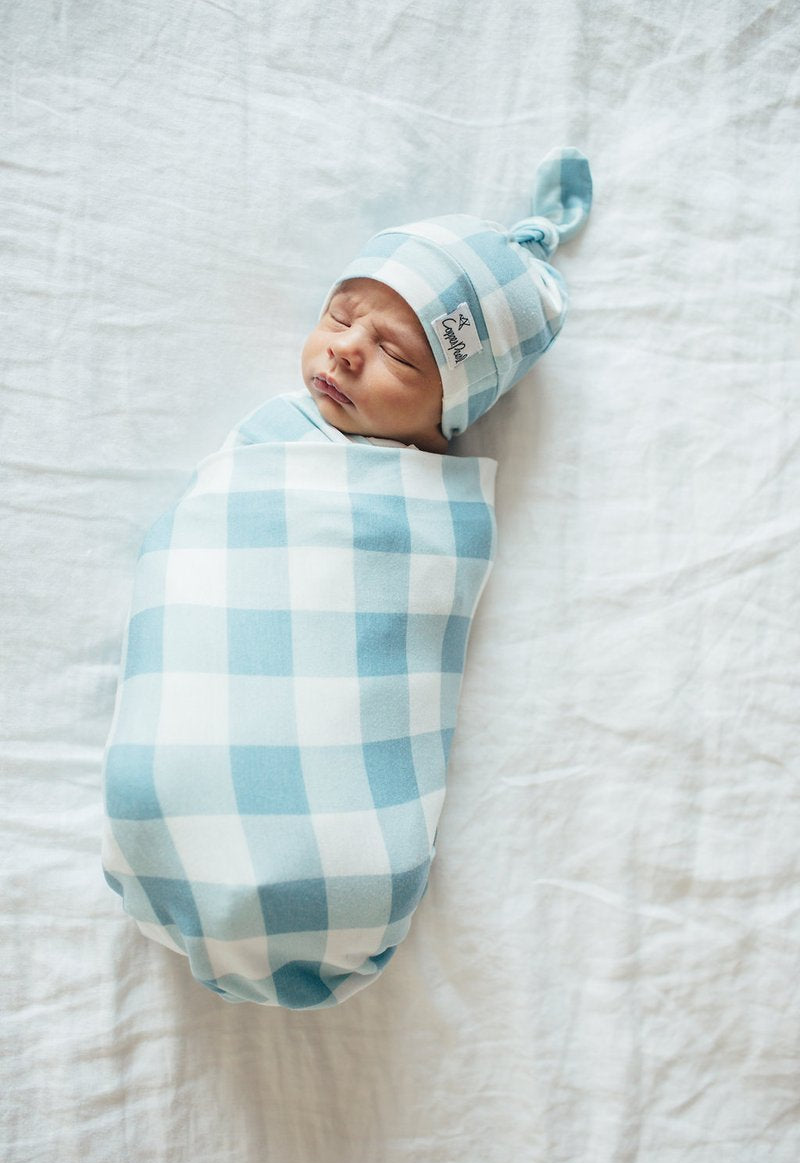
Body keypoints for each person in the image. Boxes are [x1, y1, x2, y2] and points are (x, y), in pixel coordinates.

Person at [101, 147, 592, 1010]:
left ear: (454, 410)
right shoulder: (271, 444)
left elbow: (389, 647)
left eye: (398, 356)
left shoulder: (427, 515)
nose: (347, 352)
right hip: (183, 761)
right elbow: (200, 555)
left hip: (339, 841)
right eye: (339, 316)